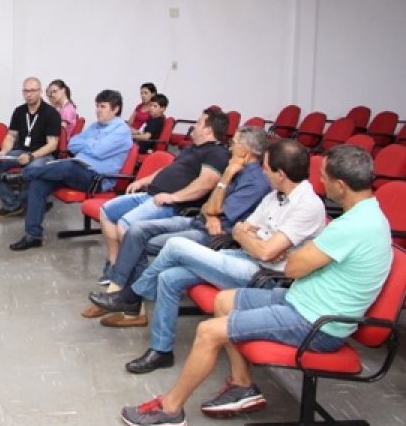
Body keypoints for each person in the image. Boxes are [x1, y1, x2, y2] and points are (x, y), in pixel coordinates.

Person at [121, 145, 391, 426]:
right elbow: (284, 253)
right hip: (299, 300)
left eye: (323, 176)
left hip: (316, 323)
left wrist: (290, 254)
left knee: (207, 332)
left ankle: (170, 410)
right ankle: (243, 385)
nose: (319, 181)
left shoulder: (352, 226)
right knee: (224, 302)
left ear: (341, 184)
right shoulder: (364, 215)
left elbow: (293, 267)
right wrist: (287, 251)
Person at [96, 139, 325, 375]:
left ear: (282, 174)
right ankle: (161, 350)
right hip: (242, 256)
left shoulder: (307, 205)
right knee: (169, 277)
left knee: (175, 245)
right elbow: (240, 229)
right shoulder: (276, 194)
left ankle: (131, 295)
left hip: (262, 275)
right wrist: (256, 241)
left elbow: (265, 252)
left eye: (267, 167)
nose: (262, 170)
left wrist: (257, 242)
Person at [82, 126, 271, 326]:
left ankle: (129, 299)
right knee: (136, 231)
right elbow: (208, 206)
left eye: (234, 144)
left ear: (243, 151)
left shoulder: (253, 181)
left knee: (139, 239)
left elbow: (215, 207)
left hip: (214, 235)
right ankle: (118, 289)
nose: (230, 148)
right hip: (199, 220)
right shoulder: (236, 171)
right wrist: (212, 211)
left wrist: (222, 186)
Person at [99, 108, 231, 278]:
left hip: (171, 203)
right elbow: (167, 169)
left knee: (126, 226)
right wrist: (143, 181)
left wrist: (174, 197)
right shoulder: (192, 148)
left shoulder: (217, 153)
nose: (194, 127)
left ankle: (135, 281)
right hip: (151, 195)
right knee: (107, 212)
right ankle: (115, 264)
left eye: (198, 123)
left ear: (208, 130)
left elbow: (205, 184)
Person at [7, 90, 133, 251]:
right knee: (39, 183)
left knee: (68, 165)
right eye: (97, 106)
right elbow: (72, 144)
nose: (98, 110)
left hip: (96, 178)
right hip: (76, 170)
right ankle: (33, 236)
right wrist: (92, 141)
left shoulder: (121, 130)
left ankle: (23, 175)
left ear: (115, 109)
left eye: (103, 106)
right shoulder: (95, 127)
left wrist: (89, 144)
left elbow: (99, 151)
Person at [0, 77, 62, 219]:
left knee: (33, 167)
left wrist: (32, 156)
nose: (29, 94)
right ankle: (12, 204)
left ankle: (23, 201)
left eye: (32, 91)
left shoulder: (51, 113)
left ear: (40, 91)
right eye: (26, 91)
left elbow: (52, 145)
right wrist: (4, 151)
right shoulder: (19, 111)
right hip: (22, 151)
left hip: (42, 155)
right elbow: (11, 136)